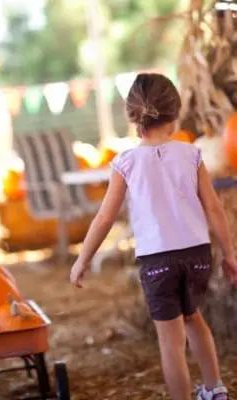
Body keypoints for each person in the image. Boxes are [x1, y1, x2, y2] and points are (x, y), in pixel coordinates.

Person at [70, 73, 237, 400]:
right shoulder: (191, 155)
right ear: (174, 115)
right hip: (197, 256)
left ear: (133, 117)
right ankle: (214, 388)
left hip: (158, 262)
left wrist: (82, 259)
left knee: (170, 342)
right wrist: (230, 254)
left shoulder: (125, 163)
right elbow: (215, 210)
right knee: (194, 318)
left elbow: (104, 218)